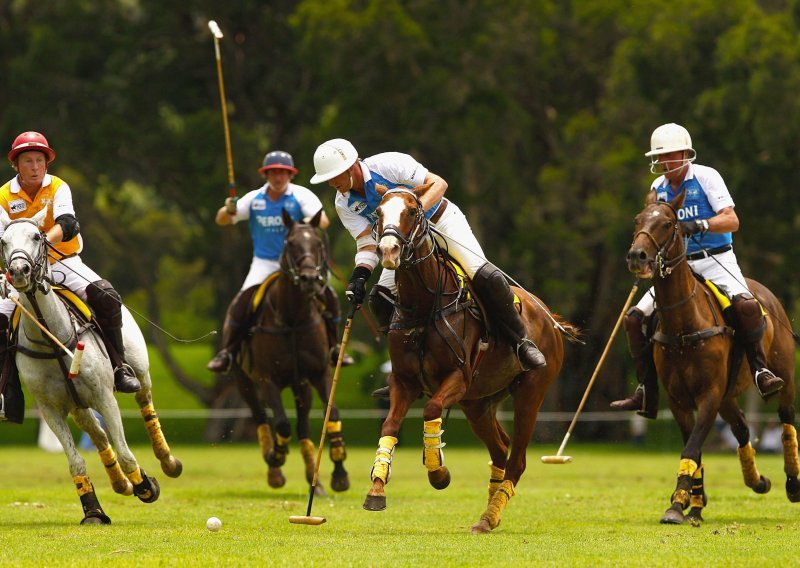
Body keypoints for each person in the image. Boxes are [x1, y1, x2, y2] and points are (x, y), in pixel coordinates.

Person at [309, 138, 546, 385]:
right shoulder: (343, 203)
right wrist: (360, 274)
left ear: (351, 166)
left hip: (440, 223)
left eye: (336, 175)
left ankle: (521, 341)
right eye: (328, 179)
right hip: (402, 243)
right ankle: (404, 366)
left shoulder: (388, 164)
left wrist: (414, 211)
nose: (332, 183)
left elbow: (438, 183)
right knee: (379, 298)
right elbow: (367, 242)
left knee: (484, 275)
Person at [610, 123, 784, 419]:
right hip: (678, 267)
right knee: (634, 319)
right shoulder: (658, 189)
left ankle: (760, 371)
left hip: (716, 259)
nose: (664, 162)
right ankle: (645, 390)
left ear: (684, 154)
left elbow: (732, 221)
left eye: (669, 155)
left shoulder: (706, 177)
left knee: (746, 305)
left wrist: (701, 224)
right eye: (659, 157)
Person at [0, 131, 140, 394]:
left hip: (64, 261)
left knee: (106, 295)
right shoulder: (4, 196)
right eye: (28, 161)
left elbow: (68, 224)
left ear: (47, 162)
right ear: (15, 165)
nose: (35, 167)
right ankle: (7, 389)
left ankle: (119, 368)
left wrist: (39, 244)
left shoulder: (58, 187)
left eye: (40, 160)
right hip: (19, 272)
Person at [207, 150, 352, 372]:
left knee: (329, 296)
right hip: (265, 262)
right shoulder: (255, 199)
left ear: (291, 175)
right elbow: (221, 220)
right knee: (241, 303)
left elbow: (322, 221)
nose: (278, 177)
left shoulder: (301, 196)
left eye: (283, 173)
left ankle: (334, 347)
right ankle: (228, 352)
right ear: (265, 174)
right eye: (273, 173)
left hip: (302, 264)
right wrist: (228, 209)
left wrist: (301, 223)